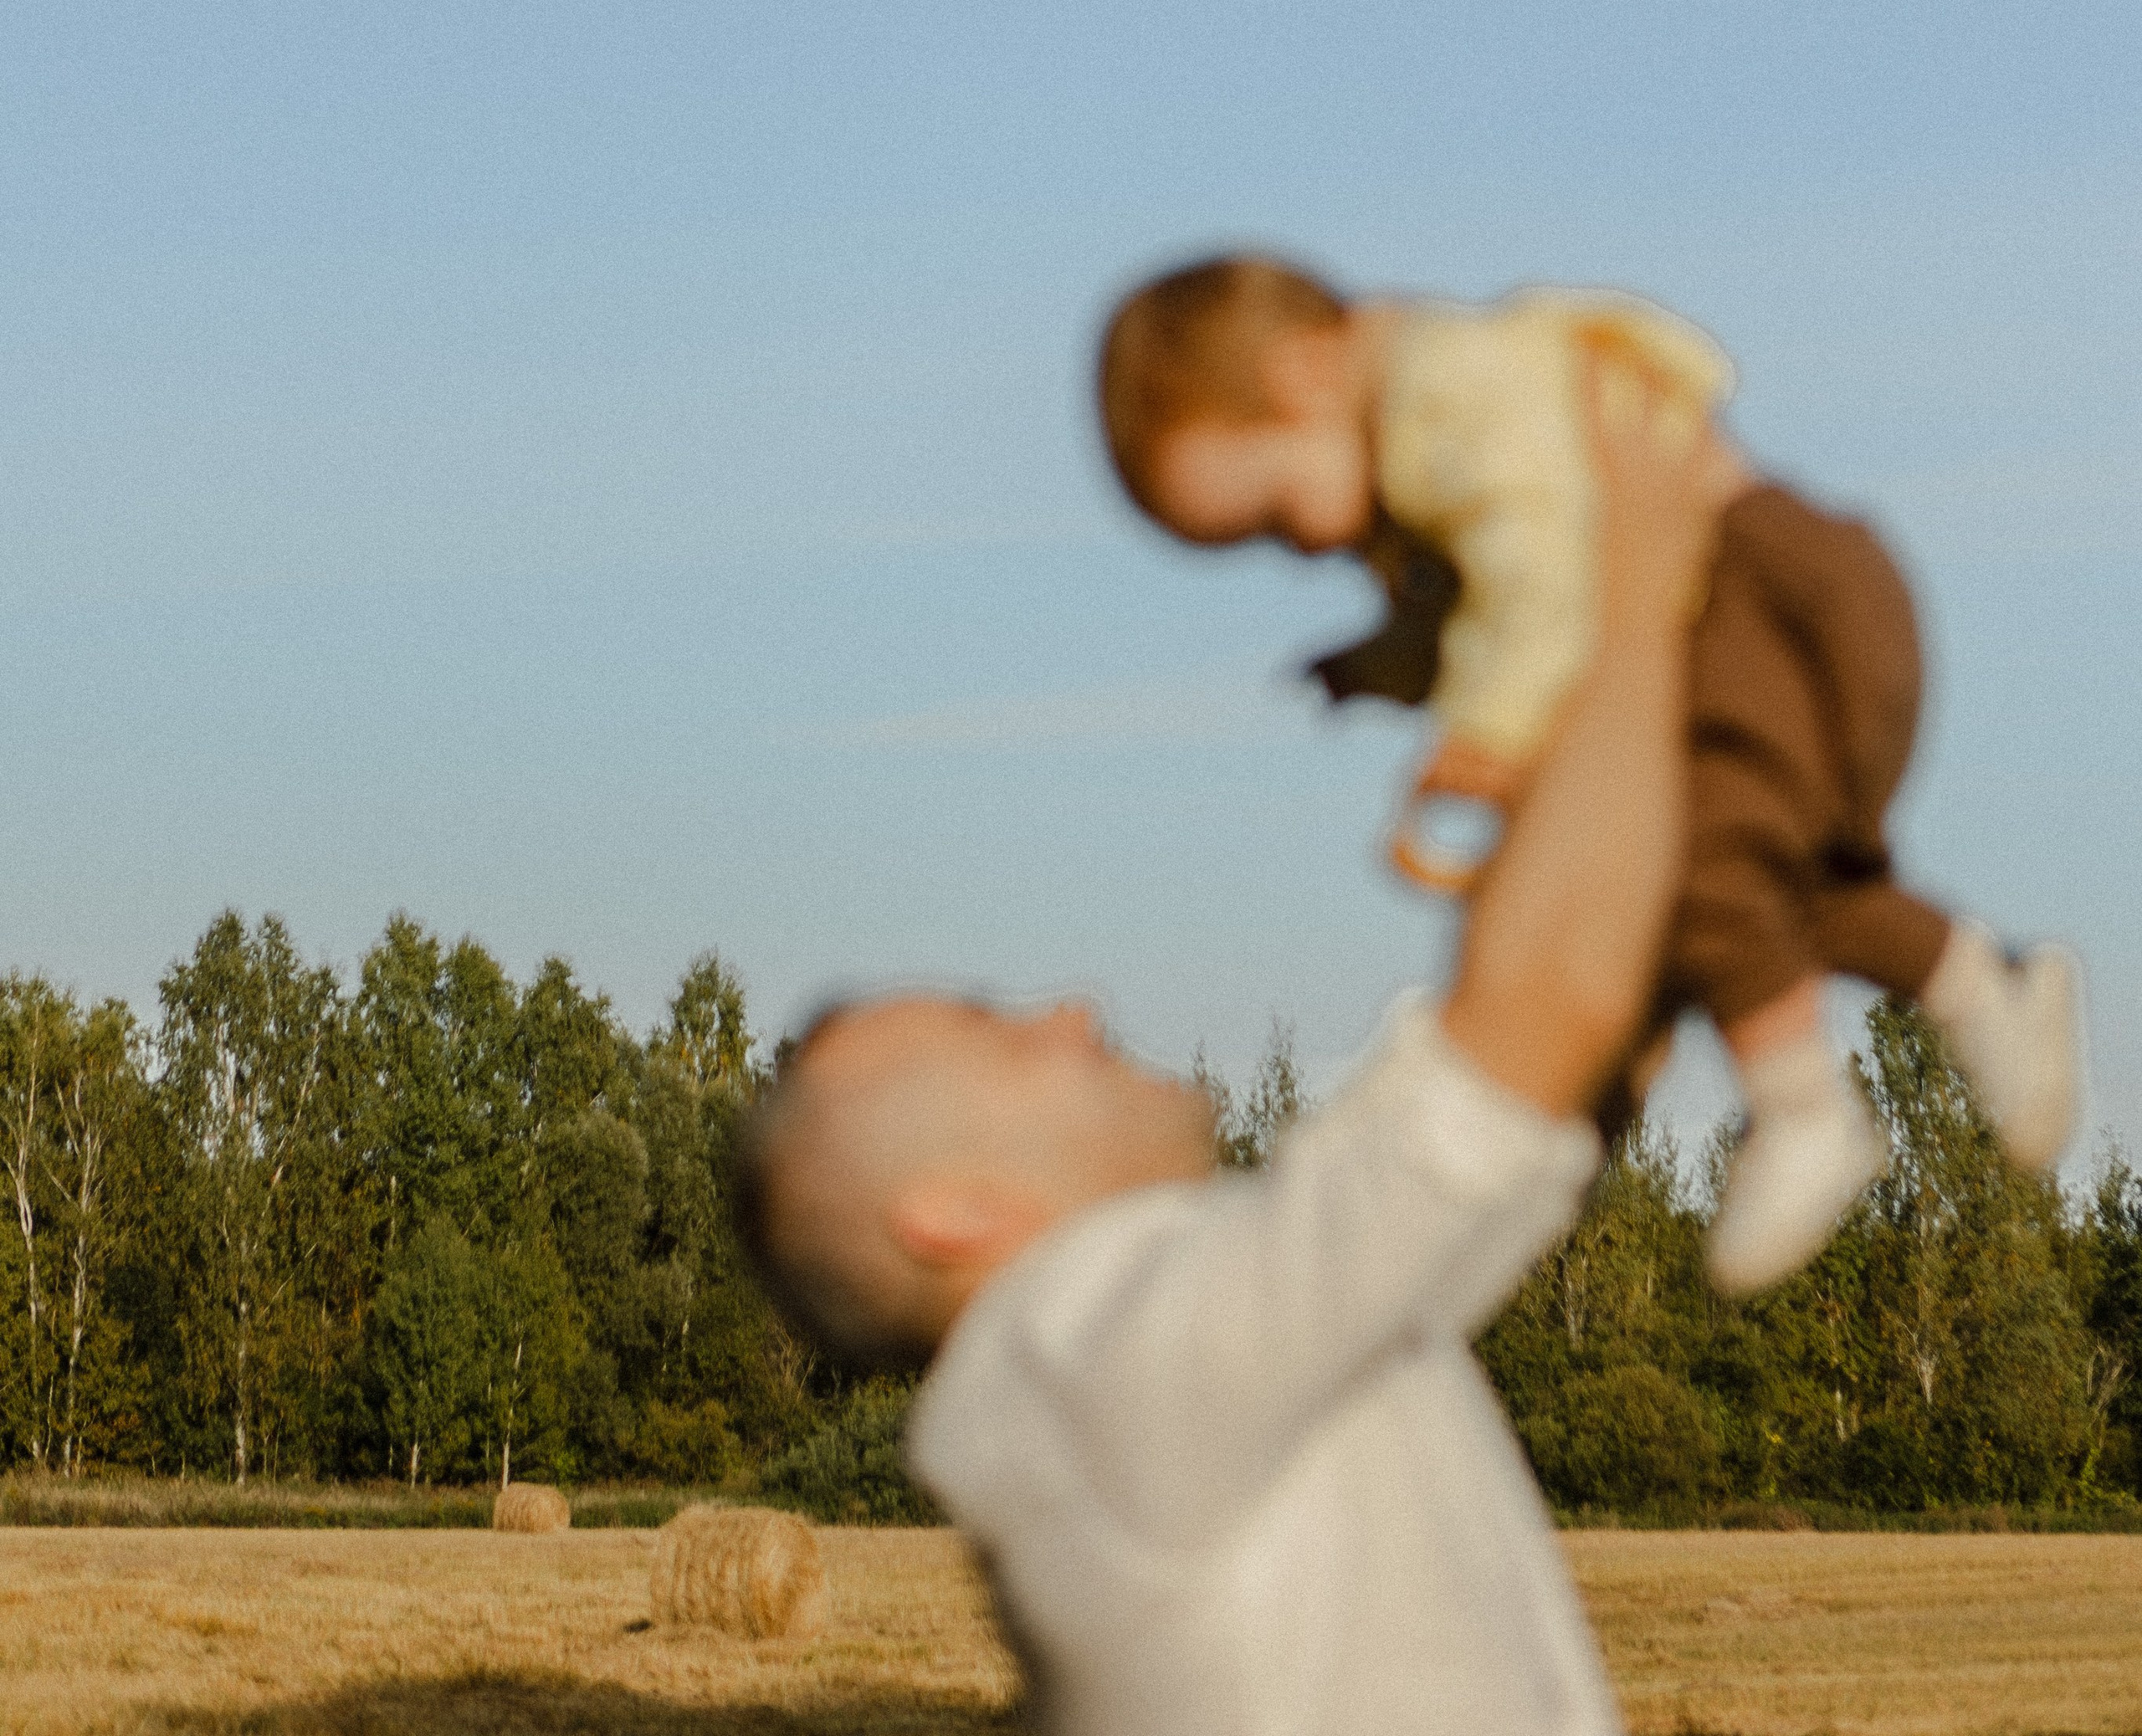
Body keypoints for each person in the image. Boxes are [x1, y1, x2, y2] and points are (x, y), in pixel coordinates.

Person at [740, 364, 1733, 1736]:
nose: (1073, 1010)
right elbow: (1540, 1017)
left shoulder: (1168, 1362)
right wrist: (1633, 590)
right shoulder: (1083, 1366)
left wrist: (1572, 787)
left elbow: (1555, 1070)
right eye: (998, 1032)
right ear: (954, 1208)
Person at [1097, 255, 2081, 1294]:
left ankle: (1803, 1114)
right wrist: (1384, 663)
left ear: (1305, 372)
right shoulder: (1424, 454)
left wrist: (1490, 731)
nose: (1293, 549)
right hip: (1785, 595)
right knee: (1762, 898)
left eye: (1272, 513)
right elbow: (1467, 607)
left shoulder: (1443, 404)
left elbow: (1537, 567)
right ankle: (1984, 984)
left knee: (1702, 863)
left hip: (1752, 592)